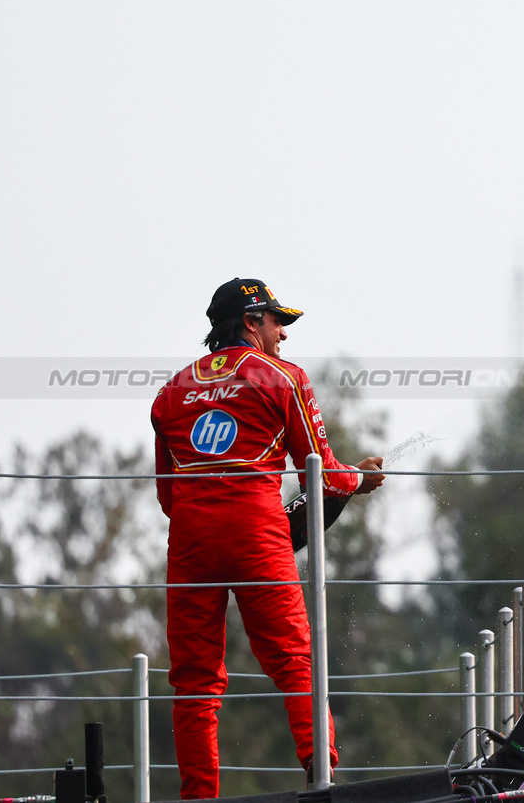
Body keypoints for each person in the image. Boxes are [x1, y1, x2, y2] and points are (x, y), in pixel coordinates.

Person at [150, 278, 384, 799]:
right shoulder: (284, 378)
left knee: (193, 681)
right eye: (277, 321)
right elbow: (318, 474)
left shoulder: (171, 391)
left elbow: (167, 495)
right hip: (256, 531)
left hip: (188, 538)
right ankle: (319, 770)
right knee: (293, 657)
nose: (283, 333)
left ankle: (198, 796)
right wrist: (358, 480)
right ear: (251, 323)